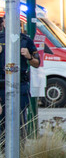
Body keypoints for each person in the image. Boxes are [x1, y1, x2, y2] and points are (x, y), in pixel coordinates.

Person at [0, 13, 41, 141]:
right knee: (2, 122)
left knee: (19, 120)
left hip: (20, 85)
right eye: (8, 20)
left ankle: (20, 150)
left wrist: (29, 56)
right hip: (1, 86)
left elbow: (37, 63)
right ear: (3, 22)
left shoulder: (25, 40)